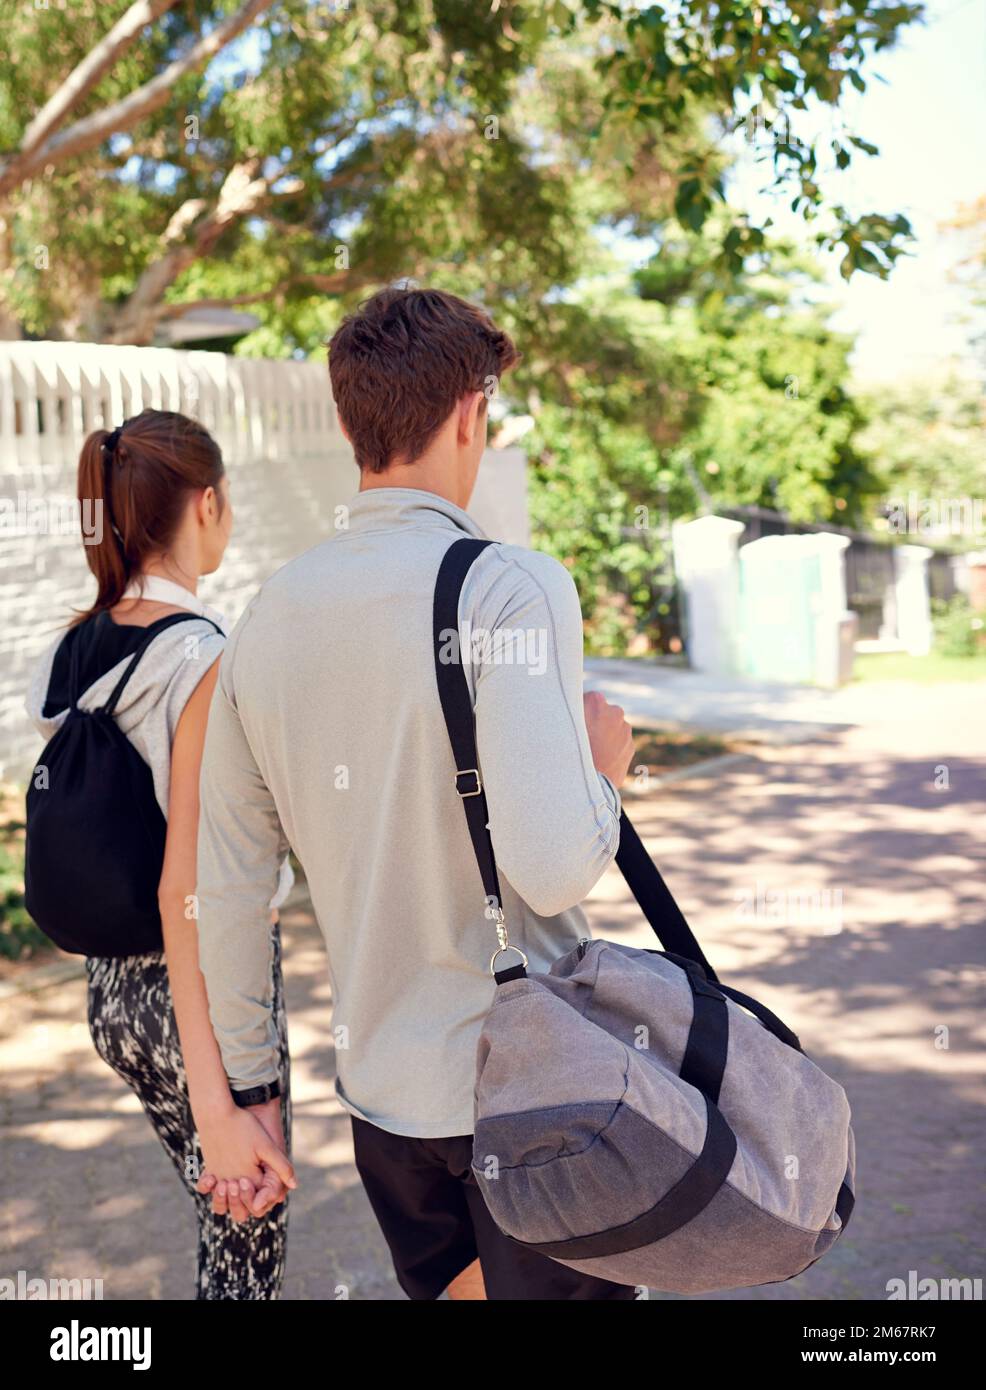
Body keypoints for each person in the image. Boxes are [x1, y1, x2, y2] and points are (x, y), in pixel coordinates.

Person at [195, 286, 636, 1301]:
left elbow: (226, 888)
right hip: (535, 1097)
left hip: (388, 1110)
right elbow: (553, 861)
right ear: (471, 412)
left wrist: (254, 1095)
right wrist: (602, 765)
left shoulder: (265, 616)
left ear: (354, 424)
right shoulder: (507, 585)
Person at [25, 409, 295, 1300]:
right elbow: (191, 888)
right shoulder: (199, 656)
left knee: (221, 1220)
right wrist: (224, 1094)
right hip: (198, 1005)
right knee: (247, 1247)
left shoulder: (76, 643)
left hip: (111, 1001)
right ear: (207, 504)